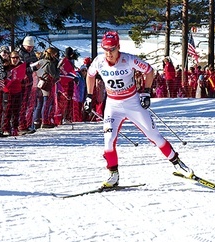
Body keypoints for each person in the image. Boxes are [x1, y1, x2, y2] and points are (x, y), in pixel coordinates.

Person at [83, 31, 194, 188]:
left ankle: (177, 163)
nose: (109, 53)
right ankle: (113, 174)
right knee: (108, 140)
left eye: (112, 49)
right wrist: (89, 96)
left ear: (118, 47)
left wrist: (146, 92)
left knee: (153, 135)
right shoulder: (98, 61)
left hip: (132, 103)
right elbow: (90, 75)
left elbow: (149, 71)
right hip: (113, 105)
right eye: (106, 49)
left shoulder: (128, 59)